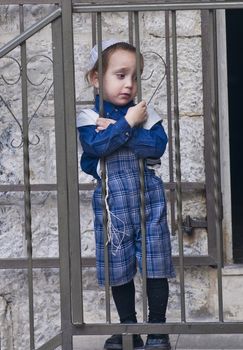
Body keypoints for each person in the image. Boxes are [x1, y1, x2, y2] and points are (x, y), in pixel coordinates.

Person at [77, 39, 175, 350]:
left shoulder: (146, 111)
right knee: (118, 267)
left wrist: (121, 127)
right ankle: (128, 328)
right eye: (120, 75)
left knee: (155, 263)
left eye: (135, 76)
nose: (129, 84)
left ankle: (157, 329)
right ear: (96, 78)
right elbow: (96, 148)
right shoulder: (88, 118)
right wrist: (130, 125)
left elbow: (157, 146)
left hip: (149, 200)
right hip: (112, 204)